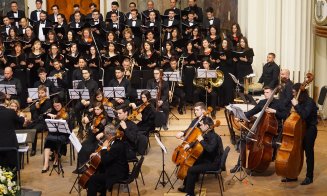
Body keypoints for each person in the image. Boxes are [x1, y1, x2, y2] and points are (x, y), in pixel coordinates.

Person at [230, 86, 287, 173]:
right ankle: (239, 165)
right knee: (244, 140)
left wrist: (274, 111)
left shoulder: (279, 103)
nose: (265, 94)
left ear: (272, 93)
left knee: (260, 144)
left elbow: (285, 115)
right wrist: (241, 116)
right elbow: (252, 112)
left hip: (274, 131)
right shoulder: (262, 102)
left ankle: (259, 162)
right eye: (264, 92)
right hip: (261, 129)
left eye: (267, 92)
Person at [176, 113, 223, 196]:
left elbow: (210, 149)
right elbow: (197, 142)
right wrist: (189, 145)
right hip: (207, 159)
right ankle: (186, 187)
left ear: (207, 126)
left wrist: (201, 140)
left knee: (191, 170)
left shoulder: (214, 137)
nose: (200, 126)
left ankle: (190, 193)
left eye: (201, 125)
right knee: (190, 163)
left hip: (213, 163)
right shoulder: (206, 134)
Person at [281, 83, 318, 185]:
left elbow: (305, 115)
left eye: (294, 92)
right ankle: (293, 174)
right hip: (298, 129)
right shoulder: (298, 101)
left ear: (299, 92)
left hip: (309, 129)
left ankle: (309, 177)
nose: (293, 94)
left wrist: (296, 105)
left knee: (308, 152)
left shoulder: (309, 102)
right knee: (296, 152)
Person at [87, 124, 128, 196]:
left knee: (92, 179)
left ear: (109, 135)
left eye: (105, 134)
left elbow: (105, 160)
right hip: (118, 168)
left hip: (118, 173)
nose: (104, 136)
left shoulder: (116, 146)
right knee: (100, 171)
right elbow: (109, 156)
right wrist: (97, 154)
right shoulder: (116, 141)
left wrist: (104, 148)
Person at [75, 102, 107, 173]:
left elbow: (99, 130)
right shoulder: (93, 116)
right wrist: (87, 123)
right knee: (81, 146)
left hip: (99, 139)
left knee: (88, 149)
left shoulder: (104, 118)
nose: (96, 111)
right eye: (95, 109)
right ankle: (82, 167)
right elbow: (84, 121)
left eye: (98, 109)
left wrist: (94, 129)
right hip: (92, 137)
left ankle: (90, 168)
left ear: (102, 110)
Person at [41, 97, 70, 173]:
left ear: (61, 104)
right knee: (48, 140)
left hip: (63, 134)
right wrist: (49, 114)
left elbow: (69, 124)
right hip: (54, 132)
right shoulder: (52, 110)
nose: (56, 107)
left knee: (55, 140)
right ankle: (46, 164)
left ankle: (56, 159)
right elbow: (43, 115)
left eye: (58, 105)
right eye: (55, 106)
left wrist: (62, 120)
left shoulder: (67, 111)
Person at [0, 92, 25, 170]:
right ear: (5, 101)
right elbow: (20, 121)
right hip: (10, 145)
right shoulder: (10, 112)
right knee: (12, 167)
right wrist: (22, 117)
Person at [26, 85, 52, 156]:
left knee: (34, 130)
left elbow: (45, 113)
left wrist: (38, 108)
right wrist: (31, 104)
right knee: (27, 127)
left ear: (46, 93)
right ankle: (25, 146)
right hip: (37, 121)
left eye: (42, 93)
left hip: (45, 122)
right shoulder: (37, 101)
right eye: (39, 93)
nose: (40, 95)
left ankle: (33, 149)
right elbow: (33, 112)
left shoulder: (48, 101)